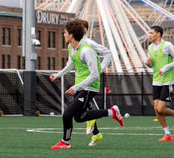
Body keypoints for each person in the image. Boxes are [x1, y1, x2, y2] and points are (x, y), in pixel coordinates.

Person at [48, 19, 124, 150]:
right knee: (79, 117)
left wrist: (76, 87)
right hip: (81, 85)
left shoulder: (87, 50)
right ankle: (111, 113)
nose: (63, 34)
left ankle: (65, 142)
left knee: (67, 114)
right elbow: (71, 64)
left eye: (65, 32)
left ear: (71, 35)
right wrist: (58, 75)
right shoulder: (71, 47)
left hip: (90, 87)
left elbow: (95, 75)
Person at [144, 25, 174, 142]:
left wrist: (166, 67)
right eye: (149, 33)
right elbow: (151, 65)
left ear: (158, 34)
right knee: (156, 109)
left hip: (167, 81)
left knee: (161, 108)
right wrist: (148, 63)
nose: (149, 35)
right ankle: (167, 134)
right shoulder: (150, 47)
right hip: (156, 80)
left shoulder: (167, 45)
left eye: (151, 33)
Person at [79, 34, 114, 147]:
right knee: (81, 107)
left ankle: (66, 140)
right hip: (80, 81)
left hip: (90, 81)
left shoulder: (89, 43)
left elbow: (108, 53)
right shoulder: (74, 45)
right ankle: (96, 133)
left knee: (78, 109)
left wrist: (99, 69)